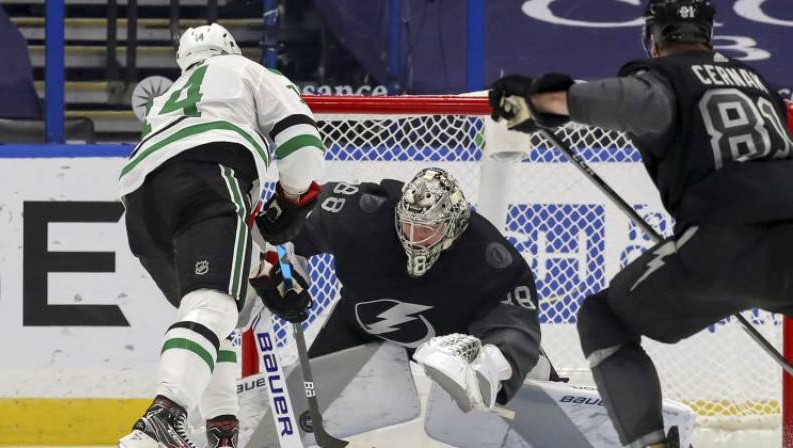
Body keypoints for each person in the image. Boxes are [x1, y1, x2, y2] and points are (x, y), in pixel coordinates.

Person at [488, 1, 793, 447]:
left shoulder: (669, 78)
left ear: (654, 37)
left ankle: (648, 443)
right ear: (708, 35)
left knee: (604, 318)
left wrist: (542, 100)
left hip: (722, 241)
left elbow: (632, 102)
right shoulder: (760, 84)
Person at [117, 23, 324, 448]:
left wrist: (264, 266)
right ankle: (164, 417)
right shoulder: (247, 70)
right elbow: (303, 144)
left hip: (140, 200)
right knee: (213, 304)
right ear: (229, 47)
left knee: (219, 312)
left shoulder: (165, 100)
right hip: (208, 173)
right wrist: (289, 199)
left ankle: (222, 432)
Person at [251, 167, 557, 414]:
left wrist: (491, 362)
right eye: (408, 223)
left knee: (510, 362)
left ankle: (526, 375)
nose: (413, 236)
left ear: (451, 224)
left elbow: (516, 322)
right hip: (359, 327)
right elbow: (287, 240)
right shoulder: (358, 214)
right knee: (303, 408)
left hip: (457, 344)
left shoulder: (487, 254)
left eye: (426, 229)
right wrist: (287, 276)